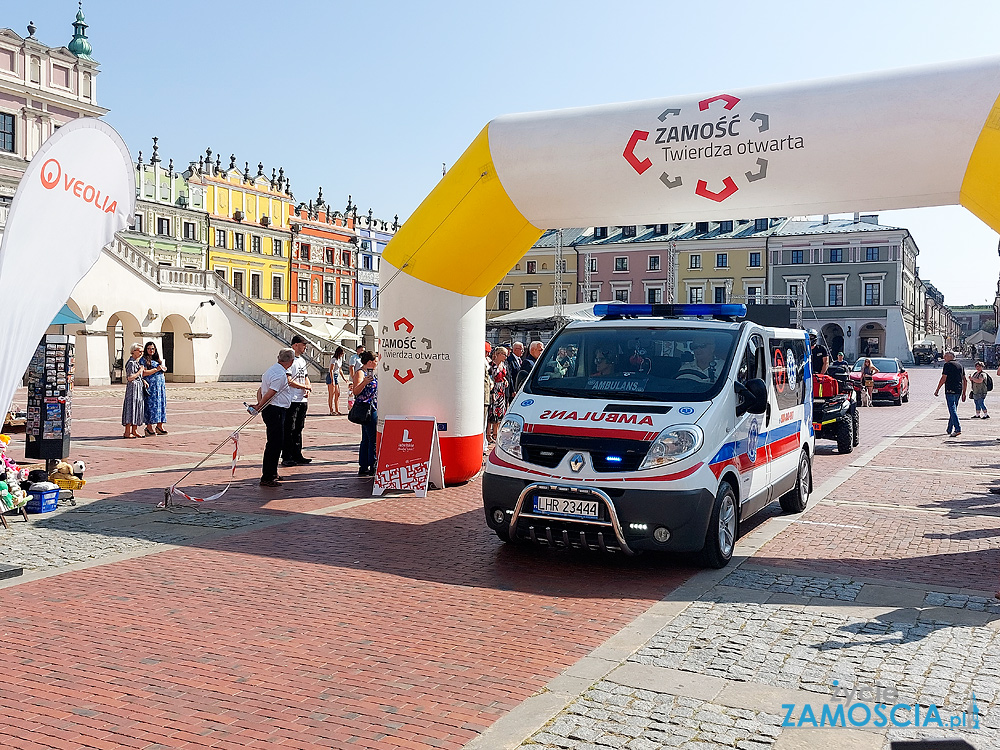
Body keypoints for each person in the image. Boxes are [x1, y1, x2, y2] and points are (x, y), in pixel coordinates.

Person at [251, 348, 296, 487]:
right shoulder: (280, 375)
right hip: (275, 410)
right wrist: (259, 406)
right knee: (274, 443)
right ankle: (268, 476)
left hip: (273, 409)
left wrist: (259, 403)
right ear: (291, 361)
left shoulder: (270, 370)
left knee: (276, 442)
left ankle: (272, 472)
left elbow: (261, 389)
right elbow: (270, 393)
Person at [281, 335, 313, 467]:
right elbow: (288, 380)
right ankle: (287, 456)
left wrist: (308, 386)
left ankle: (297, 454)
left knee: (299, 428)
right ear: (295, 345)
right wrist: (304, 386)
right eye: (303, 344)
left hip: (302, 399)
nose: (305, 346)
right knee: (289, 428)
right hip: (292, 399)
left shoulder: (302, 361)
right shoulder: (289, 360)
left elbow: (305, 377)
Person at [351, 350, 378, 476]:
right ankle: (370, 465)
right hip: (366, 407)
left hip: (373, 406)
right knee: (371, 437)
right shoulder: (360, 373)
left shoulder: (374, 373)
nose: (377, 363)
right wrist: (365, 382)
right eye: (376, 361)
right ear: (370, 362)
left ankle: (365, 465)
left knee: (367, 437)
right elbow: (356, 391)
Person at [934, 351, 966, 437]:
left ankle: (957, 428)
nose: (944, 358)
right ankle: (949, 428)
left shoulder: (947, 365)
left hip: (950, 389)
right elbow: (964, 379)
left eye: (945, 357)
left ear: (950, 357)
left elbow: (944, 378)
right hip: (958, 389)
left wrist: (937, 389)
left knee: (952, 409)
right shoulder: (960, 365)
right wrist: (964, 392)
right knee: (954, 409)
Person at [140, 341, 168, 436]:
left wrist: (163, 368)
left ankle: (160, 426)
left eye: (152, 348)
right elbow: (143, 373)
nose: (150, 350)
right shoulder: (143, 360)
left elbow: (161, 369)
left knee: (161, 405)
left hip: (159, 387)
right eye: (148, 348)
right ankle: (149, 427)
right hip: (150, 387)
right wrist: (156, 369)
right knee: (150, 407)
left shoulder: (158, 360)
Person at [121, 343, 146, 439]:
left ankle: (134, 430)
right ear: (133, 351)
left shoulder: (136, 362)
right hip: (132, 389)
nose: (141, 353)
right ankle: (127, 431)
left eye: (142, 352)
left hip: (138, 388)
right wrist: (140, 371)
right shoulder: (131, 363)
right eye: (139, 351)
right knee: (131, 408)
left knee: (137, 408)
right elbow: (130, 377)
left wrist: (143, 380)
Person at [487, 346, 510, 442]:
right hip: (494, 389)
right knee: (492, 413)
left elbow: (503, 375)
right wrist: (492, 392)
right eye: (504, 354)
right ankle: (489, 434)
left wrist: (505, 380)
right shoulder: (491, 365)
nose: (505, 357)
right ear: (499, 354)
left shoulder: (503, 365)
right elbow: (490, 378)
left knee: (499, 412)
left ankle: (496, 434)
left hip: (501, 390)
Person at [327, 346, 345, 416]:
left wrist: (343, 378)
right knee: (331, 394)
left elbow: (340, 370)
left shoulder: (340, 359)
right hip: (332, 375)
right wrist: (332, 380)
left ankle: (337, 409)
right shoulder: (334, 359)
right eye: (342, 353)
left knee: (337, 393)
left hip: (336, 376)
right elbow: (331, 370)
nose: (342, 355)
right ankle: (331, 410)